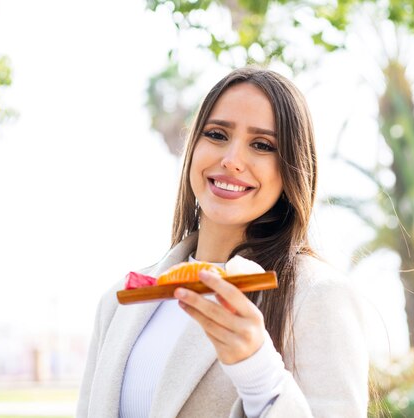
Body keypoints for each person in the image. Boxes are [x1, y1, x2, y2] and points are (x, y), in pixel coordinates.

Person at [77, 67, 369, 417]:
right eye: (216, 135)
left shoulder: (317, 295)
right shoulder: (118, 302)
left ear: (291, 168)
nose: (231, 160)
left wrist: (258, 371)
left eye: (262, 145)